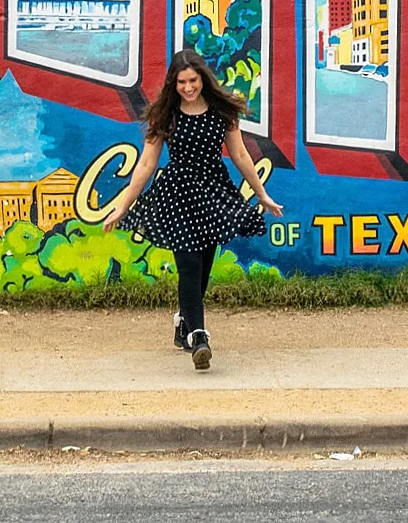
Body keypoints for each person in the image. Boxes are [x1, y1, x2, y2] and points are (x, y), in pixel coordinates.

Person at [103, 49, 283, 370]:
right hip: (178, 195)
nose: (188, 88)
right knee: (188, 266)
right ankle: (199, 336)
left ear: (203, 79)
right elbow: (146, 163)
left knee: (201, 270)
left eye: (193, 81)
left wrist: (262, 195)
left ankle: (184, 322)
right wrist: (122, 206)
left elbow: (240, 156)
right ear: (174, 83)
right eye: (182, 82)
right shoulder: (166, 115)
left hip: (213, 195)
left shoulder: (222, 112)